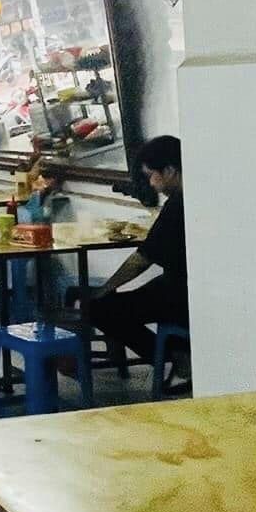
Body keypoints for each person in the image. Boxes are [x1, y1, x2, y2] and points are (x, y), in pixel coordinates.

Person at [81, 135, 188, 383]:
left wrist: (106, 288)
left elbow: (142, 259)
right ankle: (179, 353)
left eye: (152, 175)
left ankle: (175, 357)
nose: (151, 183)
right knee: (153, 292)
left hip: (180, 293)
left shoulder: (177, 205)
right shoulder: (197, 196)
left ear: (170, 170)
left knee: (98, 308)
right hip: (185, 286)